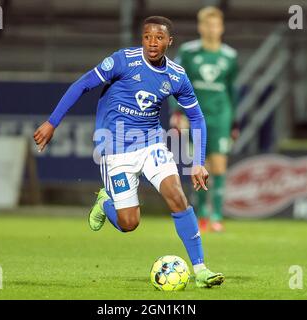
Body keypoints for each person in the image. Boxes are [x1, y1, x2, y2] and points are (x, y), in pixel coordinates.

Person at [33, 16, 224, 288]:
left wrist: (198, 162)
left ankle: (201, 269)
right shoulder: (123, 60)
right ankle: (104, 202)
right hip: (114, 148)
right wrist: (52, 122)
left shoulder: (176, 76)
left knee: (177, 197)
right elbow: (83, 84)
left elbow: (197, 118)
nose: (152, 43)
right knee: (129, 223)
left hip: (151, 144)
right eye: (147, 37)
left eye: (159, 38)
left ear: (170, 41)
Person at [170, 7, 239, 233]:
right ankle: (201, 215)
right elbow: (176, 83)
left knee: (218, 165)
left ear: (222, 28)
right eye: (207, 25)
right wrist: (178, 112)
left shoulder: (230, 56)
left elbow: (231, 90)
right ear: (200, 27)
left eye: (215, 25)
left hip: (220, 117)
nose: (211, 29)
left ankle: (217, 215)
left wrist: (234, 122)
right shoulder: (188, 53)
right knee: (197, 167)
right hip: (194, 117)